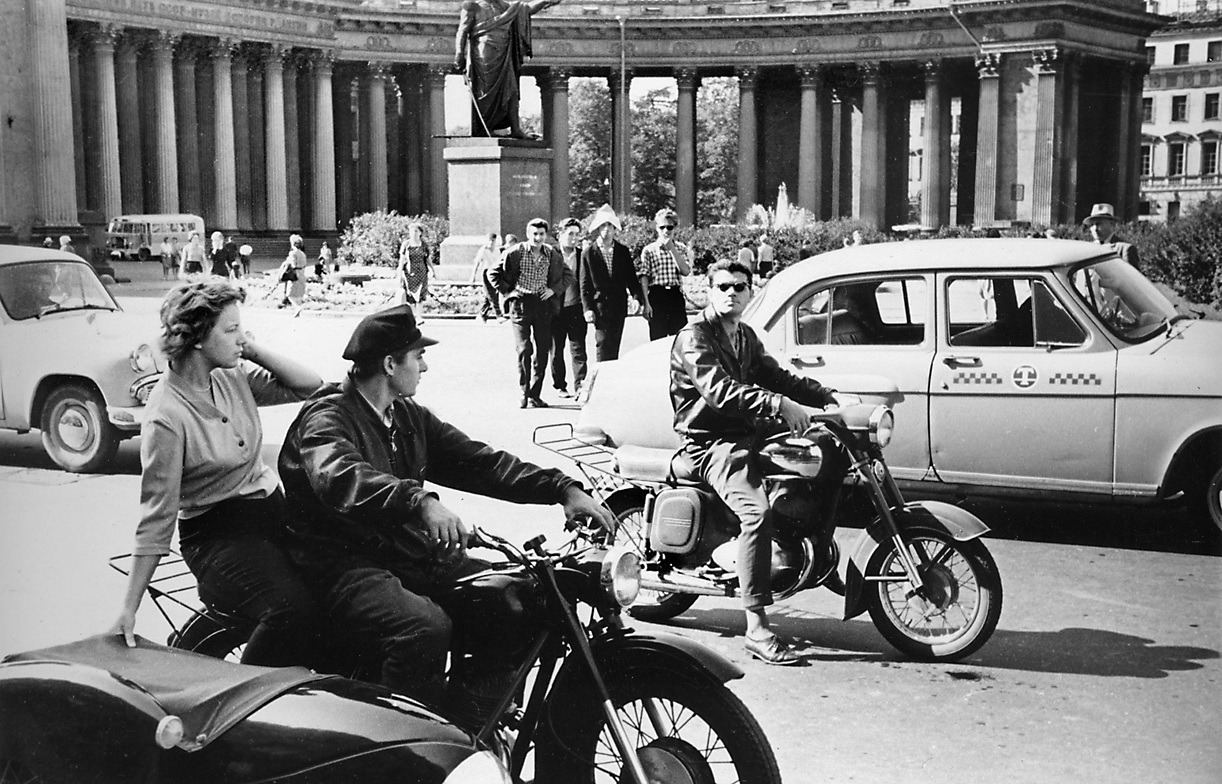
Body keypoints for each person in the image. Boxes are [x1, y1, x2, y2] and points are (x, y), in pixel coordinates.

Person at [277, 304, 616, 706]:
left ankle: (476, 715)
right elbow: (338, 476)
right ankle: (407, 748)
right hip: (341, 561)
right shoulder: (327, 417)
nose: (425, 367)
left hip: (401, 553)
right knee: (423, 628)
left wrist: (560, 488)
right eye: (419, 356)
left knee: (518, 597)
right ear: (389, 364)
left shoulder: (405, 416)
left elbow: (480, 462)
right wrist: (418, 502)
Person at [109, 278, 324, 666]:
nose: (241, 338)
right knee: (290, 610)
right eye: (231, 330)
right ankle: (242, 702)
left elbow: (308, 385)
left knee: (340, 581)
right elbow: (157, 517)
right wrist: (129, 607)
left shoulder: (229, 375)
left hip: (272, 517)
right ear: (197, 338)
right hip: (218, 537)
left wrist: (249, 347)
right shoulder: (166, 416)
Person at [671, 259, 839, 666]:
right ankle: (757, 627)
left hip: (748, 430)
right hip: (711, 440)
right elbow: (720, 392)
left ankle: (817, 551)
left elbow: (776, 376)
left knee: (827, 452)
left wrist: (827, 396)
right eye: (724, 286)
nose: (732, 293)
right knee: (755, 513)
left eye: (740, 287)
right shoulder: (694, 338)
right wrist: (779, 405)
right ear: (709, 291)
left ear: (750, 292)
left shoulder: (744, 334)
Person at [454, 0, 562, 138]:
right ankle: (484, 129)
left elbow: (526, 9)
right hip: (484, 53)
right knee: (485, 92)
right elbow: (462, 31)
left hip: (505, 51)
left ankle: (515, 129)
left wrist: (544, 1)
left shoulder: (504, 6)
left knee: (511, 90)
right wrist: (459, 53)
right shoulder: (472, 6)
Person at [490, 218, 565, 408]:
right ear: (527, 234)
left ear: (546, 235)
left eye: (541, 234)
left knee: (542, 351)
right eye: (534, 234)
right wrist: (509, 291)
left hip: (542, 305)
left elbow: (568, 275)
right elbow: (493, 274)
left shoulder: (552, 254)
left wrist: (553, 290)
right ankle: (523, 392)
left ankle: (535, 394)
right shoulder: (515, 252)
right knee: (524, 349)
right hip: (520, 305)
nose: (538, 238)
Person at [579, 204, 648, 363]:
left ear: (614, 228)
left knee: (614, 346)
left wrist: (637, 298)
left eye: (610, 225)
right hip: (600, 308)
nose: (606, 229)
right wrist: (587, 308)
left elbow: (631, 278)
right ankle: (600, 381)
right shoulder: (588, 253)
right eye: (603, 225)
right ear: (597, 228)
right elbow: (585, 285)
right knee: (603, 344)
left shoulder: (622, 251)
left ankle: (609, 380)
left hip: (618, 307)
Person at [637, 208, 692, 341]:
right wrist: (646, 303)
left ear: (675, 228)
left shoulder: (680, 248)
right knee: (658, 338)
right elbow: (644, 277)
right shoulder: (649, 250)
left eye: (669, 227)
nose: (666, 231)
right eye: (662, 227)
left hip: (675, 295)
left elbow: (685, 271)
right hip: (657, 295)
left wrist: (672, 249)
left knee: (679, 338)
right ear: (657, 228)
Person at [549, 217, 586, 399]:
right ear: (560, 235)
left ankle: (580, 385)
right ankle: (560, 385)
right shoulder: (551, 254)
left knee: (578, 349)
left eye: (577, 234)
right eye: (570, 234)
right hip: (556, 310)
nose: (574, 238)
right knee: (556, 350)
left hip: (576, 308)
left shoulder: (582, 255)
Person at [1082, 203, 1139, 267]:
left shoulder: (1124, 249)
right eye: (1092, 225)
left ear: (1112, 224)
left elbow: (1131, 276)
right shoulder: (1088, 250)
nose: (1095, 229)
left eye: (1099, 224)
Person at [398, 222, 435, 305]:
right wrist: (399, 275)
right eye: (411, 231)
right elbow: (401, 261)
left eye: (416, 231)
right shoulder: (406, 245)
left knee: (420, 297)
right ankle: (412, 315)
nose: (413, 233)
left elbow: (428, 258)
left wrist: (433, 270)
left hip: (421, 273)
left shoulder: (424, 245)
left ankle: (418, 316)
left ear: (420, 233)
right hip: (409, 273)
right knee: (410, 296)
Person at [470, 232, 503, 322]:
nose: (491, 242)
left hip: (494, 273)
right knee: (491, 294)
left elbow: (499, 263)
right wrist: (473, 276)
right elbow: (477, 263)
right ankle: (499, 315)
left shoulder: (497, 250)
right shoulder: (483, 250)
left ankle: (482, 314)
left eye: (493, 240)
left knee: (491, 295)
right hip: (485, 273)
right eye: (489, 240)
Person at [281, 234, 308, 309]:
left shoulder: (293, 253)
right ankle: (298, 311)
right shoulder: (303, 254)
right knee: (299, 294)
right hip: (302, 274)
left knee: (290, 295)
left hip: (294, 275)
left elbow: (293, 265)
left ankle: (298, 308)